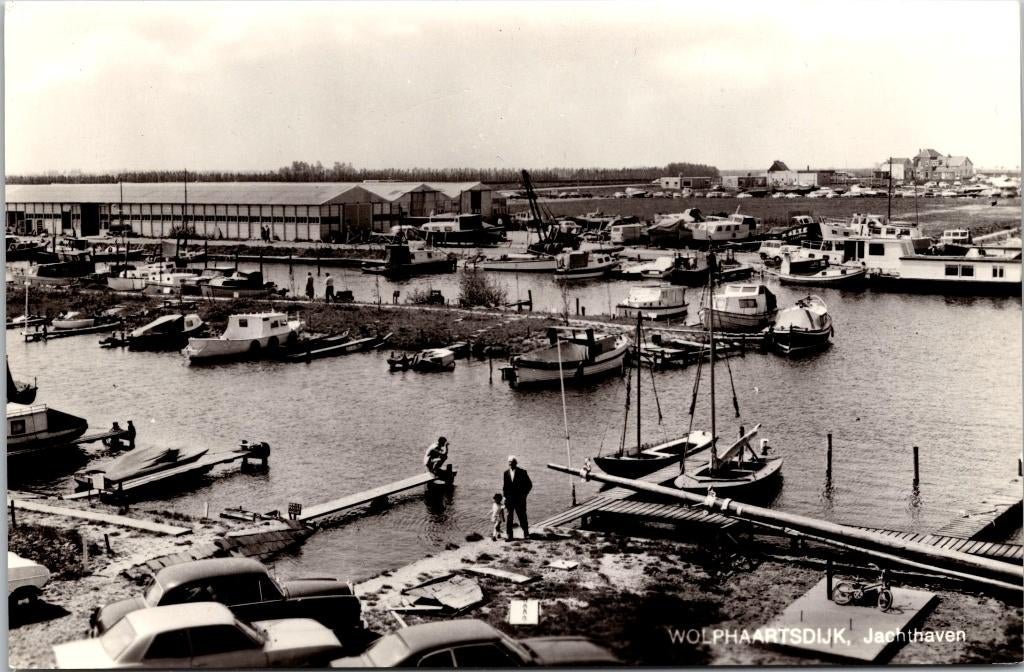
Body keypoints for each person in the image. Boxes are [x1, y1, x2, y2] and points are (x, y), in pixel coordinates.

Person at [502, 455, 532, 541]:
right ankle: (509, 535)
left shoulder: (522, 472)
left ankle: (526, 534)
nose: (510, 464)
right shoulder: (505, 473)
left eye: (512, 463)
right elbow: (505, 487)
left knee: (522, 516)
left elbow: (529, 485)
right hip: (509, 500)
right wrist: (504, 498)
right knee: (509, 518)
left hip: (520, 500)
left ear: (516, 463)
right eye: (509, 463)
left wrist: (524, 495)